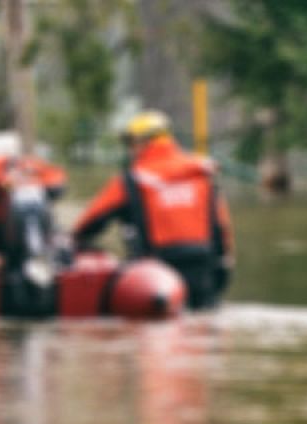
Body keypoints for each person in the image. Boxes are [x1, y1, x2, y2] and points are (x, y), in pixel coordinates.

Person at [71, 110, 234, 310]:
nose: (130, 150)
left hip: (155, 274)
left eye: (131, 143)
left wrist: (73, 240)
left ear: (142, 142)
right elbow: (221, 225)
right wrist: (224, 262)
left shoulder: (132, 179)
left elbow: (90, 222)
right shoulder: (200, 173)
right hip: (204, 267)